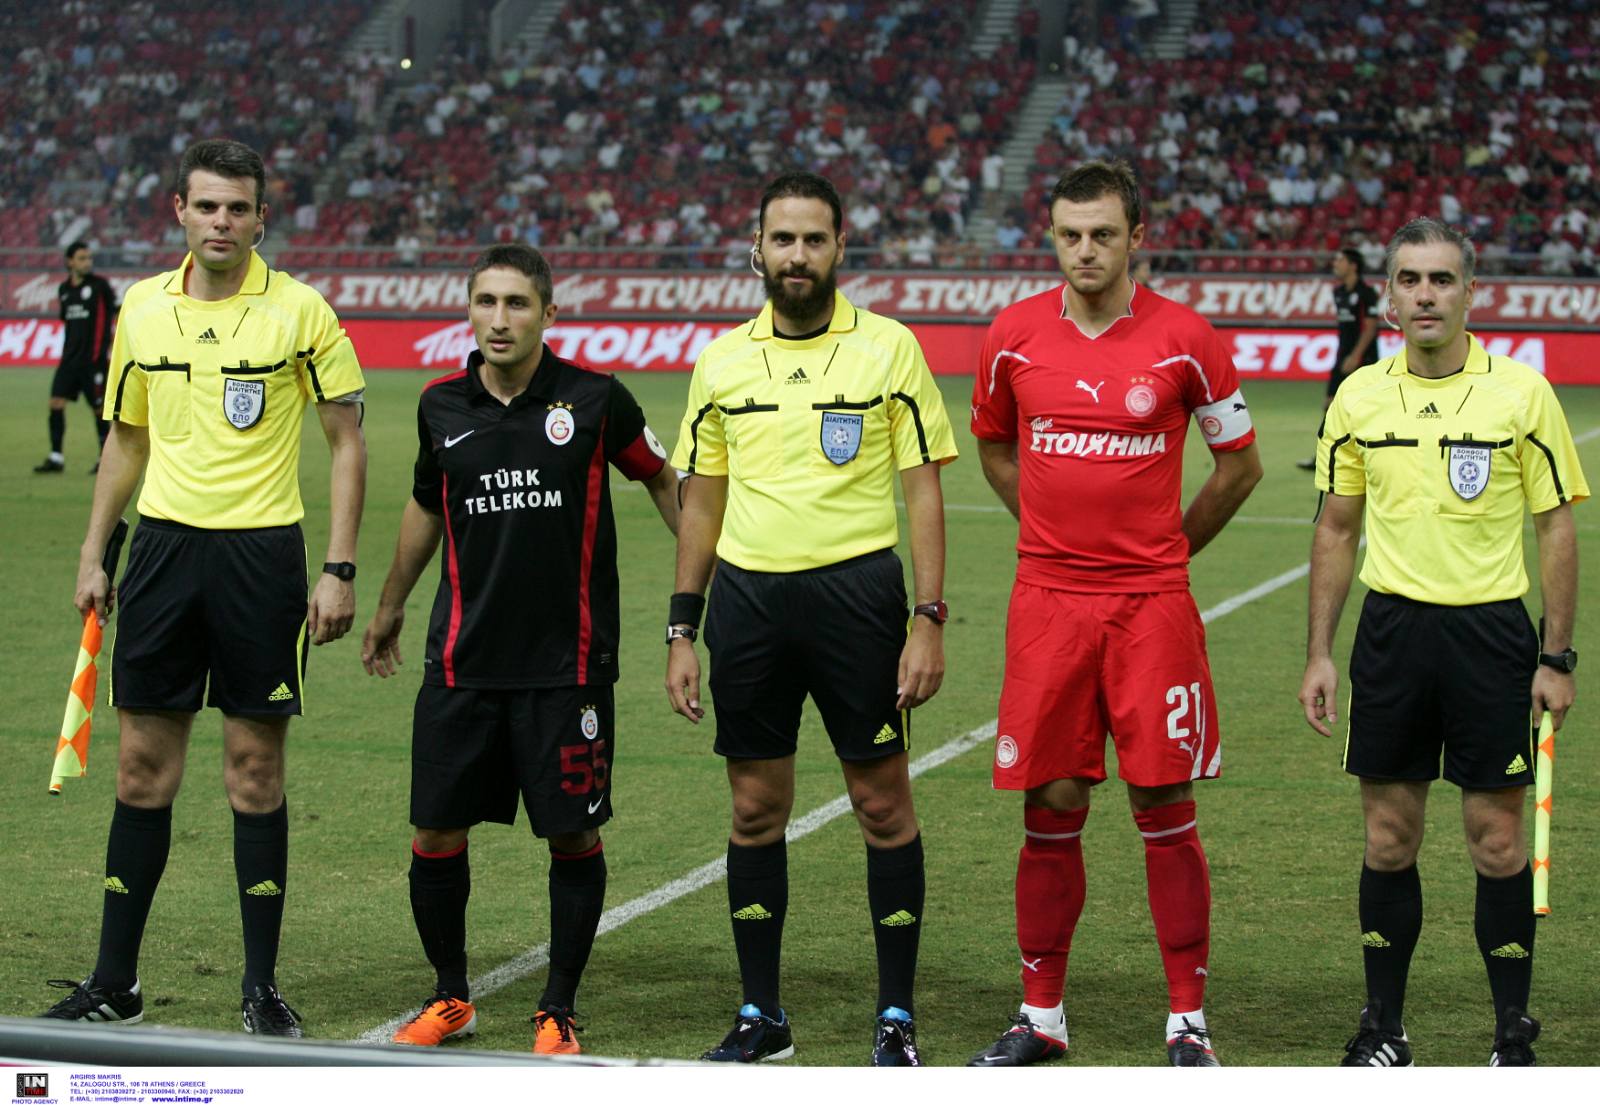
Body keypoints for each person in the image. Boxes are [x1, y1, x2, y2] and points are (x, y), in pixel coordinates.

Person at [41, 139, 367, 1037]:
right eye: (208, 206)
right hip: (162, 556)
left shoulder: (300, 310)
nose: (222, 222)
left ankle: (260, 986)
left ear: (262, 218)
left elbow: (346, 441)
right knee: (141, 768)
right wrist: (94, 550)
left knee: (254, 771)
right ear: (179, 210)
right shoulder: (144, 309)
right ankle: (116, 982)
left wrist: (338, 565)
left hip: (262, 560)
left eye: (238, 208)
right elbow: (127, 439)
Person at [967, 160, 1262, 1067]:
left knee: (1162, 799)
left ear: (1137, 236)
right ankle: (1041, 1015)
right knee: (1051, 800)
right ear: (1052, 238)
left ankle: (1188, 1022)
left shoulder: (1187, 338)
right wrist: (1046, 531)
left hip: (1150, 607)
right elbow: (994, 445)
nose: (1085, 250)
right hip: (1048, 604)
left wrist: (1168, 549)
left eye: (1102, 234)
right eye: (1070, 234)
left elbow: (1241, 465)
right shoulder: (1012, 336)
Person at [665, 171, 957, 1066]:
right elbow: (702, 502)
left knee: (881, 803)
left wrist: (928, 616)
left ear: (840, 247)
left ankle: (896, 1016)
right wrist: (682, 628)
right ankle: (763, 1015)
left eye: (814, 240)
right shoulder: (721, 361)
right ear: (757, 249)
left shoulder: (889, 348)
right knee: (755, 808)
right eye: (783, 239)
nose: (797, 256)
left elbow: (923, 490)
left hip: (857, 600)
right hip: (749, 604)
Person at [362, 243, 680, 1054]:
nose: (499, 319)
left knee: (571, 835)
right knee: (436, 830)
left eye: (516, 303)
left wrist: (706, 572)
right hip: (460, 659)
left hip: (566, 665)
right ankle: (450, 997)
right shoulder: (440, 406)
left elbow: (659, 475)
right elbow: (425, 506)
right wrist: (390, 605)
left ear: (548, 313)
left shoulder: (596, 399)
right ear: (468, 310)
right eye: (486, 302)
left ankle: (558, 1008)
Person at [1299, 217, 1586, 1067]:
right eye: (1410, 279)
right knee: (1389, 837)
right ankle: (1384, 1029)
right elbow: (1335, 528)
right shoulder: (1358, 397)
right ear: (1389, 296)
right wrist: (1320, 650)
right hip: (1392, 634)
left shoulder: (1521, 394)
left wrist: (1556, 656)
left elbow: (1556, 528)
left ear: (1470, 293)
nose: (1426, 294)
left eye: (1442, 279)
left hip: (1490, 635)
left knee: (1498, 840)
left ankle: (1511, 1032)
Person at [34, 241, 117, 474]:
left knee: (99, 410)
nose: (87, 262)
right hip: (69, 360)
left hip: (94, 361)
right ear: (70, 262)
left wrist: (110, 348)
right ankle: (56, 457)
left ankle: (104, 459)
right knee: (56, 403)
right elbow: (67, 322)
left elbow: (115, 314)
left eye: (89, 258)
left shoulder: (100, 286)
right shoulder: (64, 290)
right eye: (82, 258)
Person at [1297, 247, 1379, 470]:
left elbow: (1370, 327)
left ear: (1353, 265)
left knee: (1365, 410)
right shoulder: (1339, 292)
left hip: (1363, 359)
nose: (1335, 264)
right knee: (1330, 406)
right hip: (1342, 357)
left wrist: (1356, 355)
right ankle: (1324, 458)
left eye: (1340, 260)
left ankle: (1370, 457)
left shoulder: (1366, 293)